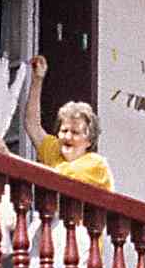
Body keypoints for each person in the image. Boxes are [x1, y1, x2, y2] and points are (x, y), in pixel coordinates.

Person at [23, 53, 113, 189]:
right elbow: (32, 125)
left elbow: (62, 178)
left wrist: (10, 158)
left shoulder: (96, 164)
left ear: (89, 141)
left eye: (75, 132)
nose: (68, 136)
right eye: (64, 131)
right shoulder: (56, 150)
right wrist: (37, 79)